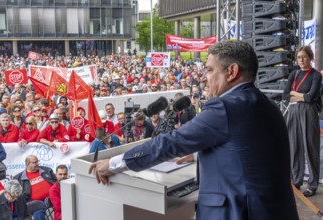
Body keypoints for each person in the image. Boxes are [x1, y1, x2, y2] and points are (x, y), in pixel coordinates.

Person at [89, 41, 299, 220]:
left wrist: (113, 164)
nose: (204, 77)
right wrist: (200, 152)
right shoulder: (268, 105)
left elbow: (170, 143)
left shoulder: (225, 107)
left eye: (209, 69)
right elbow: (248, 150)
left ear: (232, 72)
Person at [282, 46, 322, 197]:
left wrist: (295, 93)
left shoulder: (316, 75)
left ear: (310, 58)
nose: (301, 60)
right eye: (299, 57)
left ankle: (312, 184)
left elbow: (311, 97)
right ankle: (296, 179)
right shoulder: (294, 73)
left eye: (304, 57)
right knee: (295, 146)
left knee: (311, 148)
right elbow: (286, 96)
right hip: (293, 111)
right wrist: (300, 96)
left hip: (309, 112)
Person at [14, 155, 56, 220]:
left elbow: (56, 182)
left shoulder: (47, 170)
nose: (37, 164)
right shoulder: (18, 178)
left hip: (52, 197)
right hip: (35, 203)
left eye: (37, 161)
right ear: (28, 164)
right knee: (38, 214)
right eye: (35, 162)